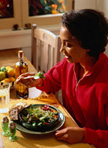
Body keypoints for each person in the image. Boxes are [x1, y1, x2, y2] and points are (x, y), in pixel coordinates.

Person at [16, 9, 108, 148]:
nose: (61, 50)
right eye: (62, 43)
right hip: (69, 133)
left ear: (88, 45)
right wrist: (39, 81)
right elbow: (52, 81)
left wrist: (85, 134)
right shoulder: (70, 63)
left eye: (68, 45)